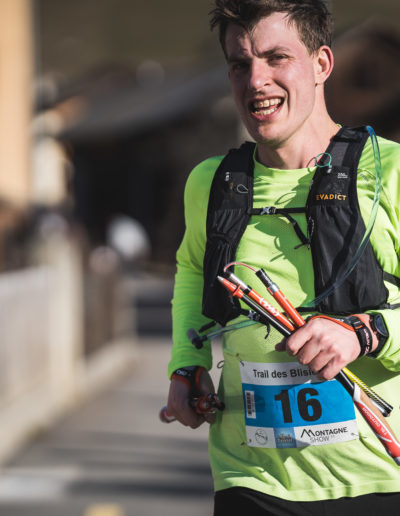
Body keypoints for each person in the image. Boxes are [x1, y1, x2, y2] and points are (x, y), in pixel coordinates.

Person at [166, 1, 400, 514]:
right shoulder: (211, 182)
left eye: (277, 58)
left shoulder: (391, 171)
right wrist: (187, 364)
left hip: (379, 478)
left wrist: (363, 333)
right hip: (250, 477)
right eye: (240, 64)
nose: (256, 81)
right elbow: (193, 271)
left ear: (321, 64)